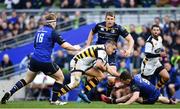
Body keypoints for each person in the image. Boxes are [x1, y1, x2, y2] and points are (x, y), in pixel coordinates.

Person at [1, 13, 80, 105]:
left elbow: (35, 45)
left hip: (34, 60)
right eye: (55, 22)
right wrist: (75, 48)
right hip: (45, 61)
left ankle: (10, 93)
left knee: (26, 79)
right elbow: (65, 46)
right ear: (53, 22)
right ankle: (54, 100)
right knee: (60, 78)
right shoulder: (52, 32)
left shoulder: (39, 31)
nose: (56, 24)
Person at [84, 11, 134, 102]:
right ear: (105, 19)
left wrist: (129, 50)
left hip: (111, 55)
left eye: (112, 19)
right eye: (108, 19)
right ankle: (85, 94)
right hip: (98, 54)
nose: (110, 21)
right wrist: (88, 45)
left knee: (111, 80)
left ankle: (107, 97)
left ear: (114, 19)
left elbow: (131, 39)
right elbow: (91, 32)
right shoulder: (99, 26)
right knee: (90, 78)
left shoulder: (119, 28)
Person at [101, 71, 176, 105]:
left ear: (127, 80)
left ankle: (112, 101)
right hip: (154, 91)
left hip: (150, 97)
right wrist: (120, 86)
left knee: (131, 96)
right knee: (158, 98)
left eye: (123, 81)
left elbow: (136, 96)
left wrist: (126, 104)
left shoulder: (135, 83)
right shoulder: (134, 77)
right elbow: (128, 84)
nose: (122, 82)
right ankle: (170, 102)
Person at [141, 25, 169, 89]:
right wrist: (159, 55)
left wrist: (164, 51)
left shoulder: (160, 38)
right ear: (151, 31)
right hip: (148, 65)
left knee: (166, 77)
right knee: (146, 86)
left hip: (156, 63)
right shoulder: (149, 42)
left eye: (157, 30)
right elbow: (147, 55)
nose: (156, 31)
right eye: (154, 30)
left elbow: (159, 48)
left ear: (159, 31)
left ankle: (156, 89)